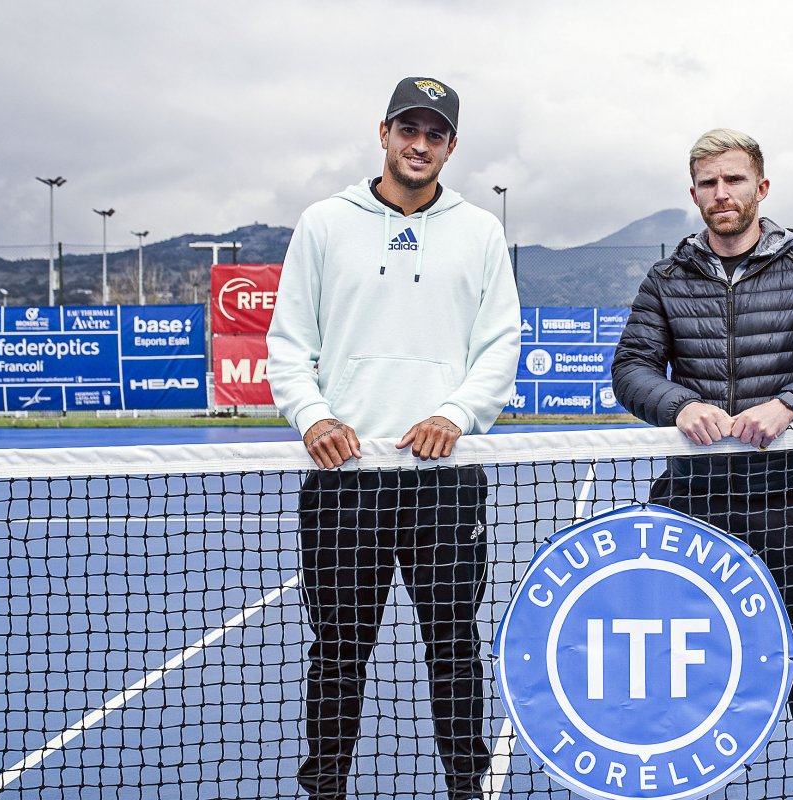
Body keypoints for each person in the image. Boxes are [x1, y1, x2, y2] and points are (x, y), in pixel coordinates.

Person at [266, 76, 521, 800]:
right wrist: (314, 417)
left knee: (453, 650)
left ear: (451, 146)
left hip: (444, 483)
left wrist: (457, 415)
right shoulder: (322, 222)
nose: (419, 144)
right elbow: (289, 344)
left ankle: (466, 790)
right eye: (407, 129)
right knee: (339, 654)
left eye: (434, 134)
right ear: (383, 134)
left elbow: (500, 345)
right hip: (346, 482)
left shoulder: (480, 230)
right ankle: (325, 791)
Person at [611, 128, 793, 799]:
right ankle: (671, 781)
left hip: (783, 500)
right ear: (694, 193)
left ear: (761, 187)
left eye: (732, 180)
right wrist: (678, 406)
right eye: (707, 183)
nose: (720, 194)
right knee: (673, 653)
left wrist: (789, 403)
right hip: (691, 504)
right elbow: (631, 370)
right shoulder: (666, 278)